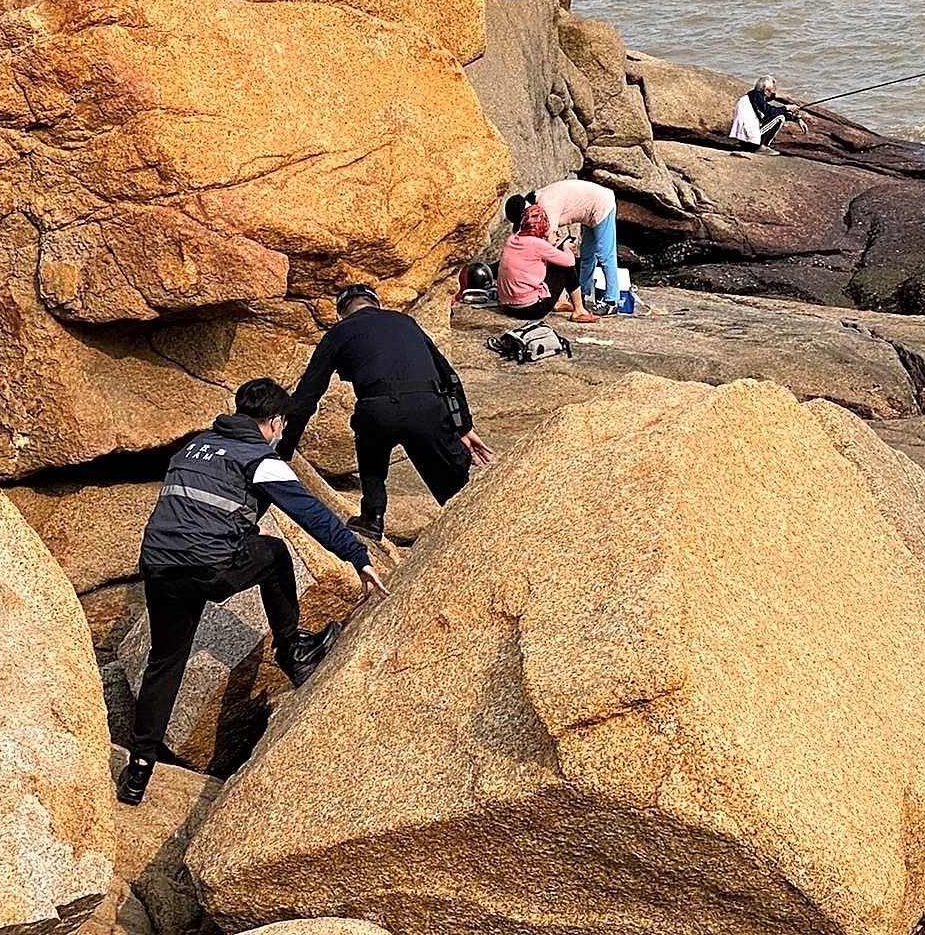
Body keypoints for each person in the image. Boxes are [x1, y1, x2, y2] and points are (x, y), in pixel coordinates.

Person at [118, 377, 387, 806]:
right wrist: (357, 556)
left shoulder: (194, 447)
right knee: (276, 555)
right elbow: (311, 514)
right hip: (210, 568)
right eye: (282, 425)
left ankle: (138, 770)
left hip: (159, 565)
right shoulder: (259, 458)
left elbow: (199, 506)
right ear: (275, 422)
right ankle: (292, 650)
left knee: (165, 663)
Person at [281, 284, 494, 542]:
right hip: (426, 407)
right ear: (376, 304)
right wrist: (463, 427)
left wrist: (284, 450)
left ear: (341, 314)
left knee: (370, 444)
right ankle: (473, 522)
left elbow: (307, 396)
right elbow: (449, 376)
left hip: (378, 410)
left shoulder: (338, 332)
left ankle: (373, 516)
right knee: (455, 488)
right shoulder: (405, 322)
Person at [504, 179, 621, 316]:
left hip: (602, 205)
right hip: (589, 210)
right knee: (587, 255)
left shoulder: (545, 207)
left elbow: (549, 244)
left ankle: (612, 301)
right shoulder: (539, 200)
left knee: (605, 255)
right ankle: (582, 294)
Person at [496, 201, 595, 324]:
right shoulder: (538, 244)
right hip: (531, 309)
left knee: (552, 262)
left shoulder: (512, 239)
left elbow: (532, 254)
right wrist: (565, 247)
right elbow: (569, 261)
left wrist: (549, 245)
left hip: (508, 307)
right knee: (564, 267)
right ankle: (579, 310)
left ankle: (560, 302)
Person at [730, 75, 801, 154]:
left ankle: (759, 145)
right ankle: (762, 147)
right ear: (766, 90)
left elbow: (771, 112)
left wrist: (797, 118)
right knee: (780, 118)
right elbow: (770, 112)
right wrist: (786, 108)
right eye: (773, 90)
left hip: (745, 140)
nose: (774, 93)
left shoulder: (753, 96)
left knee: (778, 115)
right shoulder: (757, 97)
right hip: (750, 139)